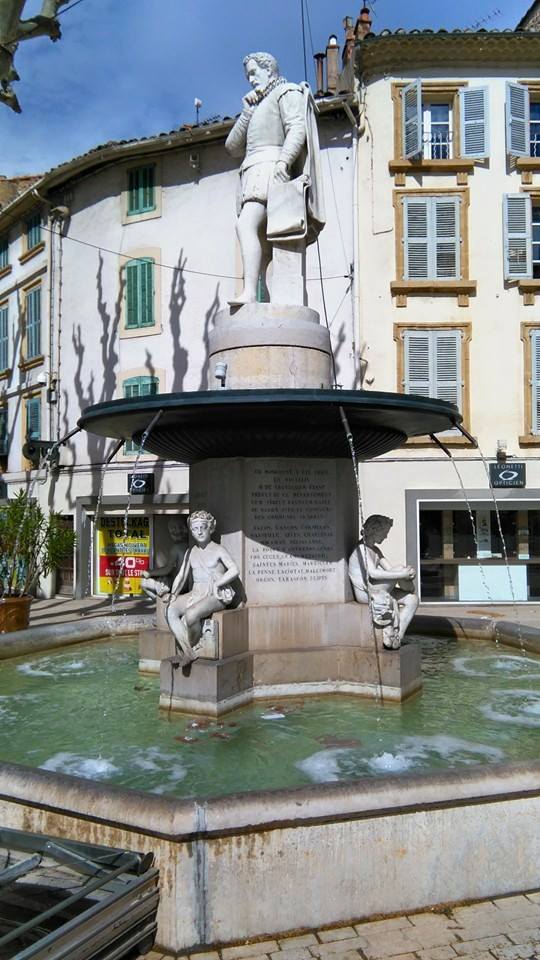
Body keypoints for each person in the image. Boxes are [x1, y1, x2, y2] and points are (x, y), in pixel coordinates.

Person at [225, 51, 324, 305]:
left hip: (270, 169)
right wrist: (246, 112)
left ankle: (249, 293)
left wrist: (284, 160)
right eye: (247, 75)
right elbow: (232, 147)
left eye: (254, 72)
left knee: (246, 225)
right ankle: (267, 300)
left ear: (269, 69)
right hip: (252, 171)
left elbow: (296, 127)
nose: (250, 79)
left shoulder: (286, 91)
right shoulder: (256, 105)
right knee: (266, 247)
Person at [161, 510, 239, 667]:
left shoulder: (218, 549)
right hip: (196, 592)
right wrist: (174, 594)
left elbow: (234, 570)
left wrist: (218, 583)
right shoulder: (192, 551)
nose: (199, 532)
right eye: (195, 529)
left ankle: (189, 648)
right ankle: (188, 652)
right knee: (169, 610)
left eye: (202, 527)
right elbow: (182, 576)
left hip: (215, 595)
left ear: (210, 528)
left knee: (191, 615)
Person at [348, 514, 419, 650]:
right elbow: (373, 573)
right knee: (400, 570)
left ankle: (398, 636)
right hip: (366, 593)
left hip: (377, 589)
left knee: (413, 600)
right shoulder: (361, 549)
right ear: (374, 530)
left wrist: (406, 572)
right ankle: (409, 587)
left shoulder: (375, 550)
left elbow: (389, 569)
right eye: (384, 533)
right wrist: (403, 574)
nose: (386, 537)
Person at [141, 515, 188, 600]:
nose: (173, 531)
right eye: (172, 529)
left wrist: (150, 573)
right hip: (186, 584)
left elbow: (167, 569)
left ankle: (160, 602)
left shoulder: (176, 548)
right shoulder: (190, 545)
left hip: (178, 584)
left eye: (174, 529)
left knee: (144, 583)